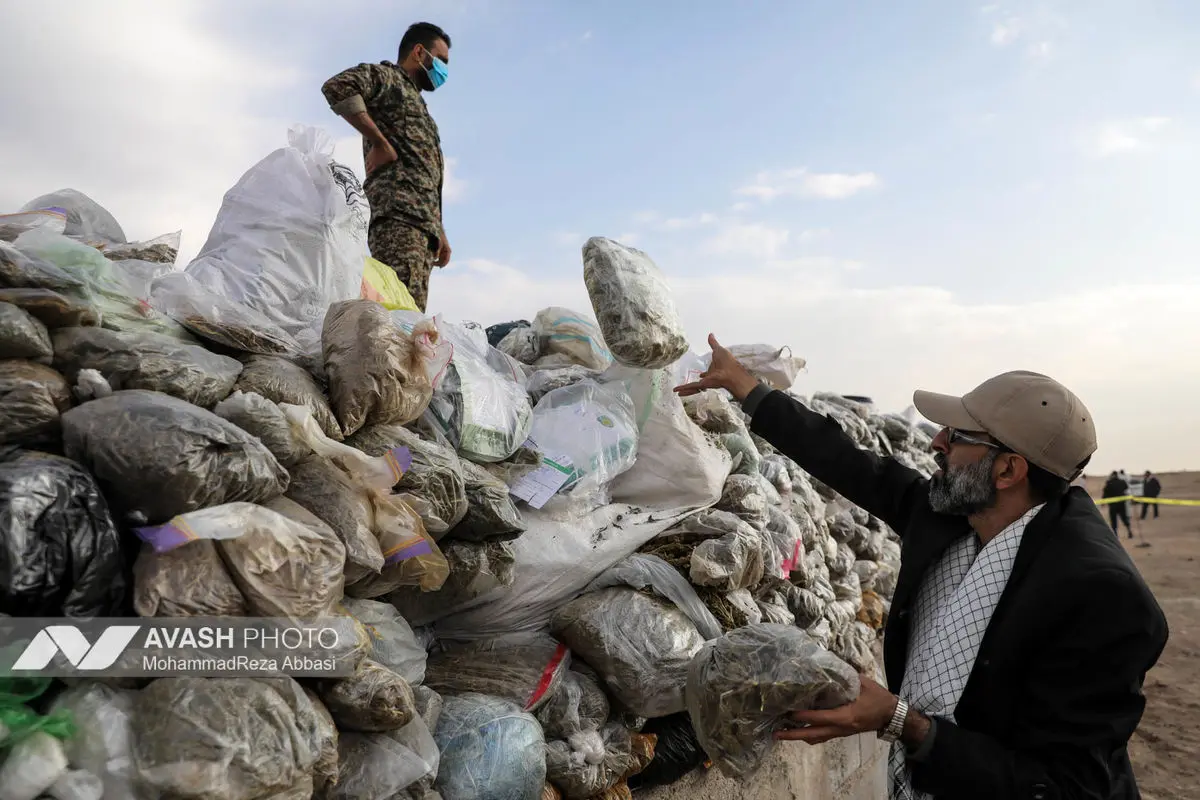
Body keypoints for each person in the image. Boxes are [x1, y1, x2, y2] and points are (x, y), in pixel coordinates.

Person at [676, 335, 1167, 800]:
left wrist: (900, 720)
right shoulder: (956, 517)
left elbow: (1063, 787)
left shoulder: (1100, 596)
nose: (936, 442)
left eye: (957, 436)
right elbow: (849, 461)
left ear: (1008, 470)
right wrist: (748, 390)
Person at [322, 22, 453, 312]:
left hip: (421, 226)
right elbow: (338, 86)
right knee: (396, 315)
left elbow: (425, 171)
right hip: (397, 216)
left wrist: (439, 230)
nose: (444, 70)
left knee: (410, 315)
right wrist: (379, 142)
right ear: (419, 52)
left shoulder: (418, 105)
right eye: (441, 60)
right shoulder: (389, 80)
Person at [1103, 471, 1133, 538]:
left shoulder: (1109, 483)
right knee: (1124, 518)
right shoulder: (1122, 482)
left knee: (1113, 520)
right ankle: (1129, 531)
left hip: (1113, 505)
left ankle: (1116, 535)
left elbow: (1105, 493)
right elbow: (1126, 489)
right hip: (1121, 504)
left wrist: (1103, 501)